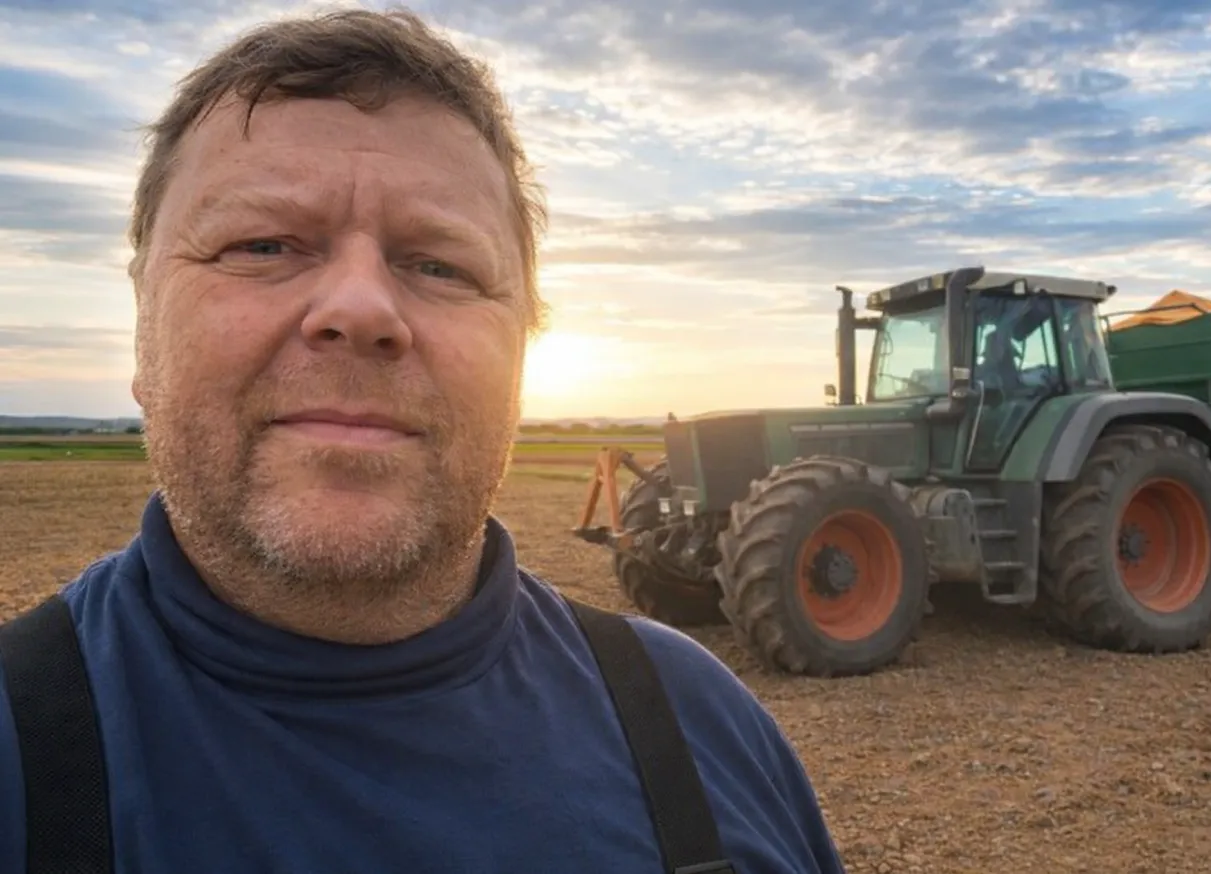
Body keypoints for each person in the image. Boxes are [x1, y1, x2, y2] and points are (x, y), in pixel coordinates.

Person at [0, 9, 845, 874]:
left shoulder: (702, 725)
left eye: (440, 264)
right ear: (143, 327)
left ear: (521, 350)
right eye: (261, 244)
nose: (362, 309)